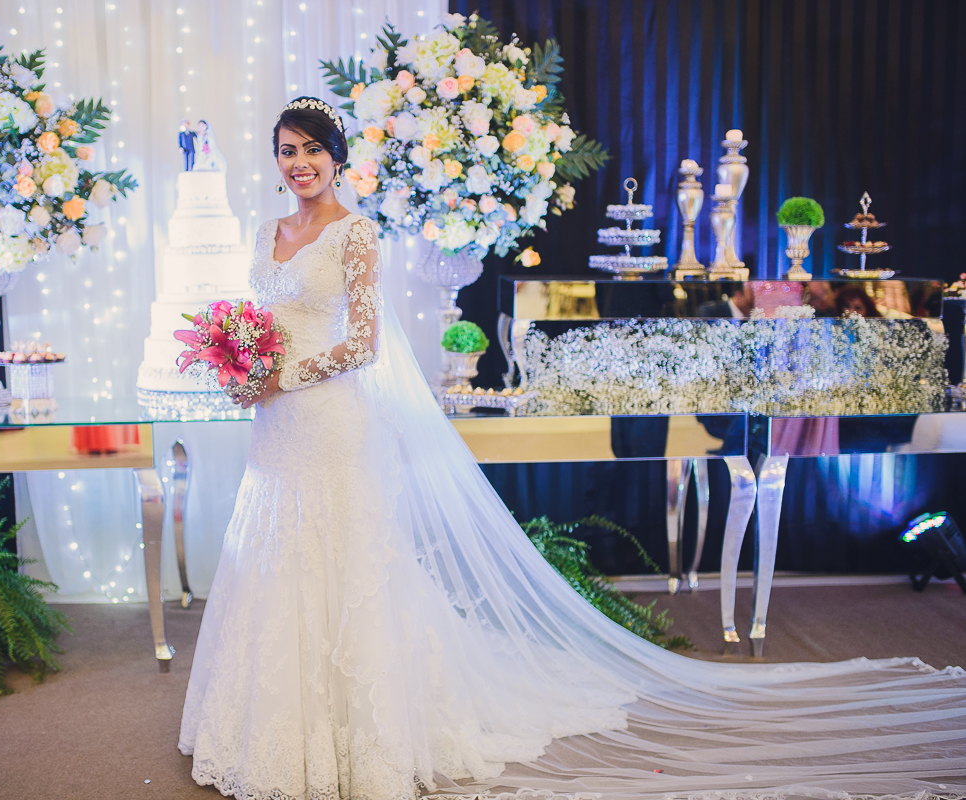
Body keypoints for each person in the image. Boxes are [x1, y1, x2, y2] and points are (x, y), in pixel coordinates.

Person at [177, 97, 966, 800]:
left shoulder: (355, 234)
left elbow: (362, 342)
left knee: (342, 561)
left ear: (337, 158)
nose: (300, 163)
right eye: (286, 149)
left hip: (328, 418)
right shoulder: (265, 231)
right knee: (276, 552)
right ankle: (272, 719)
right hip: (274, 425)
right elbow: (260, 322)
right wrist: (241, 366)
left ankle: (361, 732)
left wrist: (281, 373)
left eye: (312, 149)